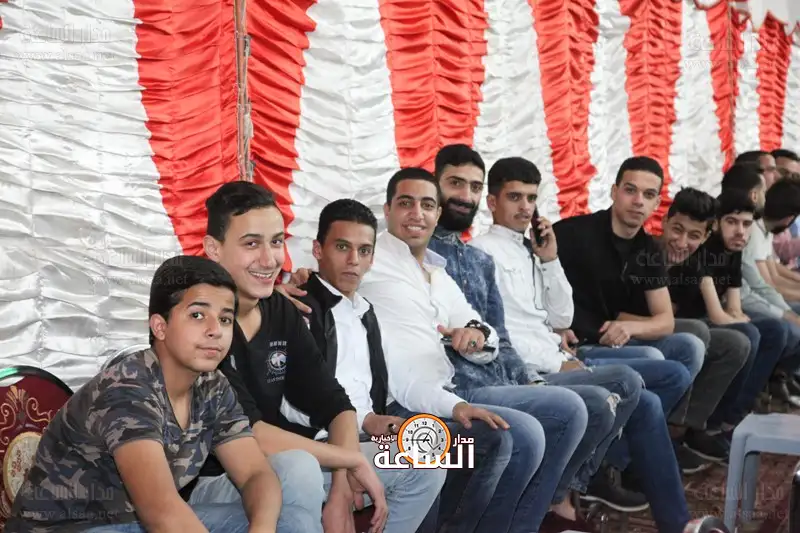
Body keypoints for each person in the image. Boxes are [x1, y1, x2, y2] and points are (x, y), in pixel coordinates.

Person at [458, 153, 719, 533]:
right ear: (492, 202)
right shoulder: (483, 252)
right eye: (515, 197)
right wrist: (559, 360)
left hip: (558, 353)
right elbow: (503, 332)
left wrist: (549, 261)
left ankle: (675, 522)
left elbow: (560, 316)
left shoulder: (534, 248)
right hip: (537, 365)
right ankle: (576, 487)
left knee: (655, 386)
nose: (525, 207)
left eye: (531, 198)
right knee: (631, 384)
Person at [359, 167, 591, 533]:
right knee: (518, 436)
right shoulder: (370, 260)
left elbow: (486, 332)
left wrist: (474, 334)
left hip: (443, 393)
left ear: (438, 213)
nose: (417, 214)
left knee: (557, 417)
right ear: (387, 210)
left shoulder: (437, 271)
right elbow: (327, 272)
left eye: (427, 205)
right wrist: (296, 283)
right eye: (406, 203)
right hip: (400, 408)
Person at [6, 255, 307, 533]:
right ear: (160, 327)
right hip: (75, 528)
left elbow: (255, 473)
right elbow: (161, 512)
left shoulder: (213, 385)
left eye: (225, 319)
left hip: (135, 523)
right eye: (198, 315)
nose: (215, 330)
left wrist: (263, 529)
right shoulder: (127, 388)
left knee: (291, 521)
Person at [190, 182, 392, 533]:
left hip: (280, 465)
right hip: (212, 482)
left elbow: (335, 403)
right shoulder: (198, 321)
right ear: (213, 249)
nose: (269, 260)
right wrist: (350, 459)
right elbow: (247, 433)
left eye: (276, 242)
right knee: (299, 467)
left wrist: (341, 487)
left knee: (423, 460)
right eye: (251, 243)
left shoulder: (280, 307)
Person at [291, 198, 447, 532]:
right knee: (429, 462)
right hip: (314, 448)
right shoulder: (299, 307)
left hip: (364, 438)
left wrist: (377, 423)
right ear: (318, 250)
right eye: (342, 247)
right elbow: (293, 405)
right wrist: (366, 423)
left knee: (446, 446)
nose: (353, 260)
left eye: (364, 251)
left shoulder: (365, 311)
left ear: (372, 258)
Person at [551, 156, 706, 394]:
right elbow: (533, 286)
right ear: (614, 192)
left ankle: (655, 414)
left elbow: (665, 320)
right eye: (630, 190)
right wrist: (553, 328)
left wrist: (630, 327)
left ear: (656, 203)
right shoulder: (571, 233)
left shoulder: (648, 249)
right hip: (573, 342)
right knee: (651, 356)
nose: (638, 201)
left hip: (611, 337)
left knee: (691, 345)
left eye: (648, 195)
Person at [661, 188, 781, 457]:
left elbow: (733, 307)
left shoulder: (725, 251)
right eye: (732, 222)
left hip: (687, 320)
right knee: (741, 334)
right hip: (686, 320)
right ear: (716, 226)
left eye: (746, 224)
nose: (740, 231)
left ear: (704, 234)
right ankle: (694, 427)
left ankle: (727, 419)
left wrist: (739, 318)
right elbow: (714, 314)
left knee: (763, 331)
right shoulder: (699, 254)